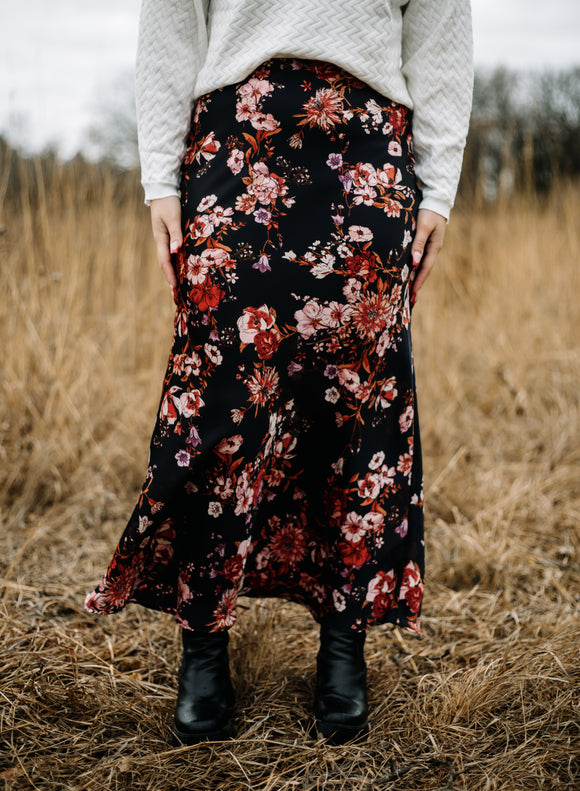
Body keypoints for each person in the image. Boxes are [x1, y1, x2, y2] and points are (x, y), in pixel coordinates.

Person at [85, 0, 473, 745]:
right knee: (221, 409)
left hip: (369, 160)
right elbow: (170, 22)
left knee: (359, 404)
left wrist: (442, 187)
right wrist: (160, 180)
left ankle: (343, 645)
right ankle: (202, 645)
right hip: (235, 153)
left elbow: (442, 33)